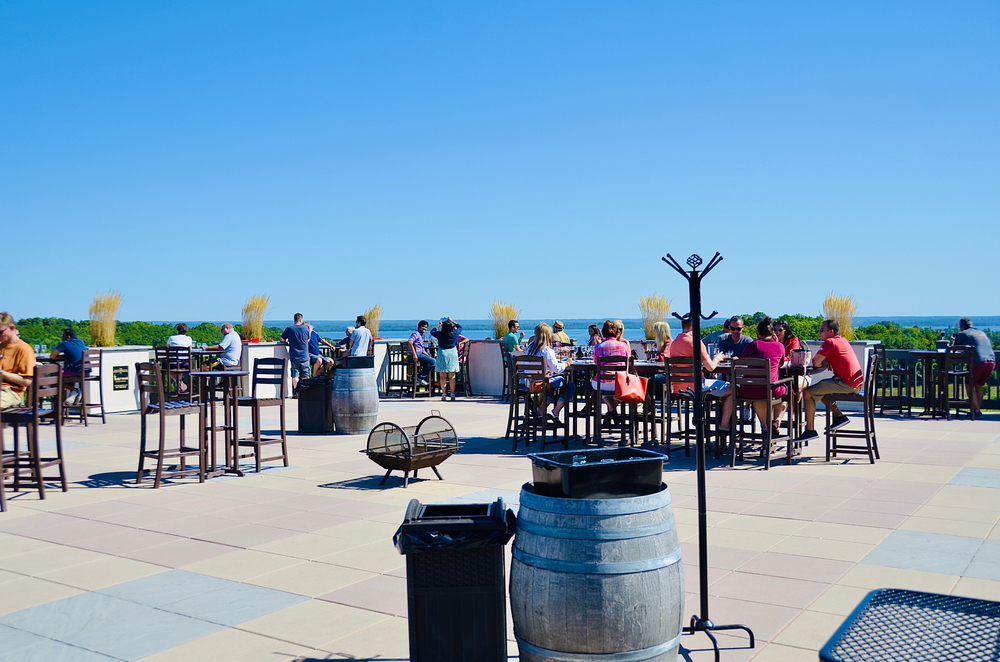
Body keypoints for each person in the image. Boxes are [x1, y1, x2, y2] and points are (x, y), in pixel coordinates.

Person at [800, 319, 863, 441]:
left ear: (831, 331)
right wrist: (827, 361)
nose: (819, 333)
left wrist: (823, 361)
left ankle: (810, 430)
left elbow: (815, 362)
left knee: (807, 393)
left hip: (846, 383)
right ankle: (839, 417)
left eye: (822, 330)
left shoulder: (830, 342)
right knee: (821, 389)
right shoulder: (842, 340)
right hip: (855, 383)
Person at [736, 317, 788, 436]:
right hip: (771, 388)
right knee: (787, 391)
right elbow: (780, 364)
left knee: (757, 395)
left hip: (749, 389)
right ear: (772, 333)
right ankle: (776, 421)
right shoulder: (779, 346)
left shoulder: (752, 345)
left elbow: (740, 361)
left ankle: (765, 427)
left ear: (758, 332)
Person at [525, 323, 575, 421]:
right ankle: (555, 411)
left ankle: (541, 408)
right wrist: (567, 364)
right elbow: (557, 368)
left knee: (557, 385)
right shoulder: (546, 350)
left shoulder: (529, 347)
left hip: (529, 382)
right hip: (541, 383)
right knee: (569, 386)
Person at [952, 318, 996, 419]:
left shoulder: (962, 334)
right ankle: (977, 411)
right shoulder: (981, 332)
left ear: (961, 327)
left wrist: (954, 340)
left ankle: (977, 411)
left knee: (969, 385)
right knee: (978, 385)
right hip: (991, 361)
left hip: (978, 362)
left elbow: (953, 349)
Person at [593, 319, 631, 421]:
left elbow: (596, 362)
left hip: (602, 382)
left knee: (600, 386)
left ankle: (611, 410)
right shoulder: (624, 345)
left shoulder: (598, 346)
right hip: (619, 382)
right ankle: (612, 409)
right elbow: (629, 363)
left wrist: (597, 344)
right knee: (619, 389)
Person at [0, 312, 36, 410]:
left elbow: (26, 381)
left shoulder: (24, 349)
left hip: (10, 392)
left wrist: (2, 374)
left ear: (11, 328)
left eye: (0, 332)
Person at [52, 328, 87, 405]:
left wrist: (62, 357)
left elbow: (52, 356)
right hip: (86, 372)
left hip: (76, 371)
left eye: (63, 335)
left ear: (68, 337)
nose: (61, 337)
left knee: (54, 375)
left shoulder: (65, 343)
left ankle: (74, 390)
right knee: (66, 374)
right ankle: (73, 394)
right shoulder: (81, 342)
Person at [431, 317, 463, 401]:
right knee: (452, 376)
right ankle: (452, 394)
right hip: (452, 353)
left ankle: (444, 394)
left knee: (442, 376)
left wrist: (439, 325)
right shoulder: (455, 333)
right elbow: (460, 327)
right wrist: (452, 321)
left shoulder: (440, 334)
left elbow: (432, 331)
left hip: (442, 353)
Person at [280, 313, 313, 388]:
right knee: (306, 374)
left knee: (295, 374)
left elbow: (281, 339)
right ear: (301, 320)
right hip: (304, 356)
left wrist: (287, 340)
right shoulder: (305, 328)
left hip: (294, 355)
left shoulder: (289, 329)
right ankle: (305, 391)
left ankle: (297, 390)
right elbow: (308, 338)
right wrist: (310, 329)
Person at [407, 320, 435, 385]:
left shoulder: (421, 335)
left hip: (419, 354)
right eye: (423, 326)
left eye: (426, 327)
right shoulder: (416, 334)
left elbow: (422, 350)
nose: (424, 328)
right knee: (433, 362)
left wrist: (428, 356)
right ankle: (419, 377)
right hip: (414, 355)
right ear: (419, 326)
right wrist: (414, 354)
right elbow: (410, 342)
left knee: (430, 362)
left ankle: (420, 379)